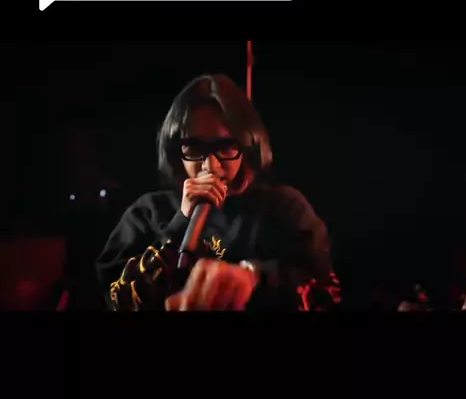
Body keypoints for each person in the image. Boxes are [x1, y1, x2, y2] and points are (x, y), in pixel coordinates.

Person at [95, 74, 341, 312]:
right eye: (194, 148)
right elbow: (117, 298)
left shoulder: (284, 208)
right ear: (175, 148)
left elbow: (326, 293)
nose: (210, 166)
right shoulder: (147, 213)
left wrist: (254, 277)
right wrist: (179, 226)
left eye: (225, 147)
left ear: (247, 145)